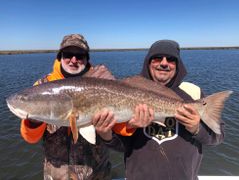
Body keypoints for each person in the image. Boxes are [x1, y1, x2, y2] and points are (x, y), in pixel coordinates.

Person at [93, 40, 225, 180]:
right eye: (157, 58)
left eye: (171, 59)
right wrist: (105, 134)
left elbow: (218, 136)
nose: (163, 63)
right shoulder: (126, 92)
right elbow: (120, 147)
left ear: (178, 64)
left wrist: (196, 128)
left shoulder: (193, 93)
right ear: (148, 63)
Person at [20, 34, 115, 180]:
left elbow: (123, 131)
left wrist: (129, 126)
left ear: (87, 59)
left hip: (97, 173)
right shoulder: (41, 87)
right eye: (68, 55)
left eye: (80, 55)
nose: (74, 60)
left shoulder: (102, 82)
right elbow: (30, 138)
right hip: (57, 174)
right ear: (60, 57)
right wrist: (35, 120)